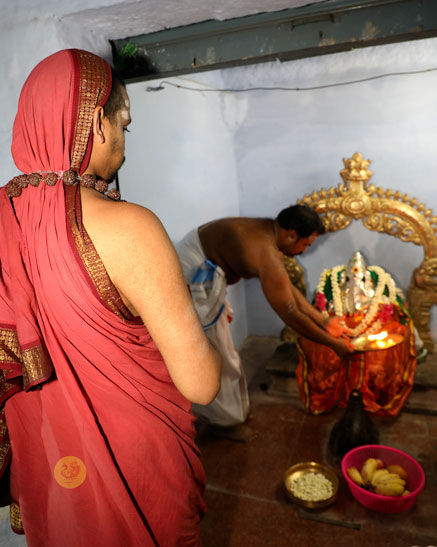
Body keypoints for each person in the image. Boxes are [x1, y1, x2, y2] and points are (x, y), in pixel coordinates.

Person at [0, 49, 221, 546]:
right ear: (96, 124)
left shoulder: (2, 221)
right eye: (124, 124)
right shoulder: (130, 227)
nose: (123, 140)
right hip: (136, 466)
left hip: (50, 463)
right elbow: (202, 383)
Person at [176, 206, 353, 427]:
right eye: (305, 244)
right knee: (213, 355)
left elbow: (286, 288)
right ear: (291, 235)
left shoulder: (268, 232)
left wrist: (325, 321)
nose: (304, 251)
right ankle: (221, 419)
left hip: (195, 261)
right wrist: (334, 345)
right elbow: (291, 315)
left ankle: (224, 413)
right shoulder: (266, 252)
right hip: (190, 275)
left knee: (221, 353)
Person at [296, 251, 418, 416]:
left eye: (361, 279)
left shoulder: (380, 286)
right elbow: (318, 307)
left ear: (367, 278)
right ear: (344, 278)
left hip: (369, 324)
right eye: (350, 279)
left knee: (393, 338)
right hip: (340, 322)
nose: (355, 282)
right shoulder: (333, 286)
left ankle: (365, 395)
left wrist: (379, 303)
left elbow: (396, 302)